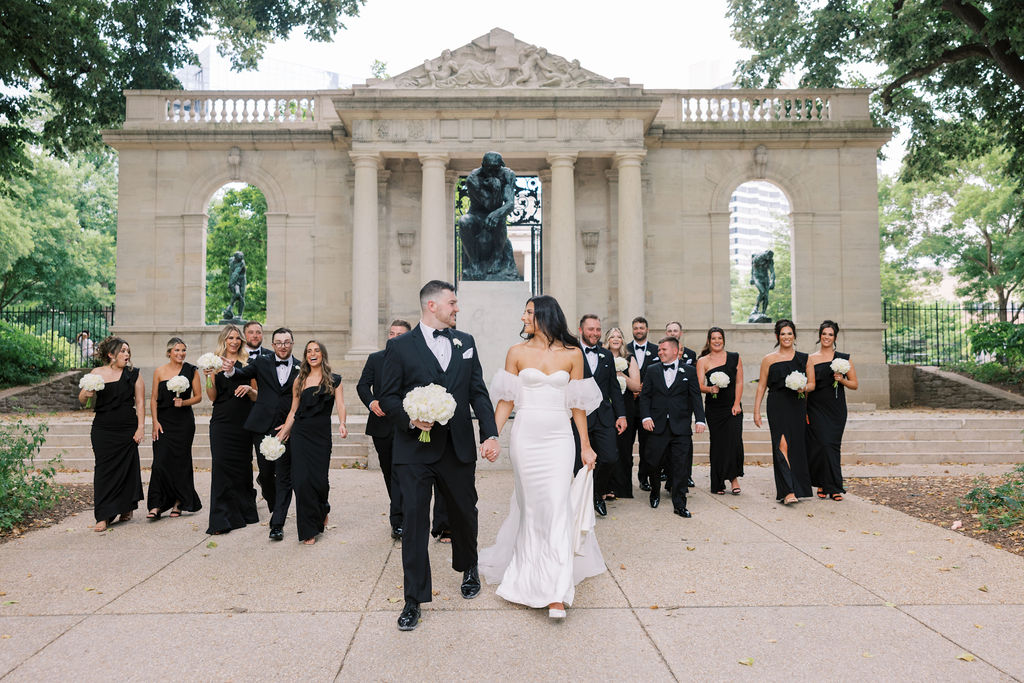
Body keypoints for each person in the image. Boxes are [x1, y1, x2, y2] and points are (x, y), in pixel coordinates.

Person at [378, 280, 500, 632]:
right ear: (432, 305)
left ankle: (469, 566)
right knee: (415, 523)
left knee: (464, 513)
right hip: (414, 450)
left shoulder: (466, 343)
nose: (457, 308)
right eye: (452, 302)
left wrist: (489, 432)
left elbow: (477, 391)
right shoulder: (399, 347)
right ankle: (413, 598)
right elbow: (387, 397)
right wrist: (410, 418)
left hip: (457, 447)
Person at [481, 295, 605, 620]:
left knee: (556, 506)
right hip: (526, 437)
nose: (523, 317)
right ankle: (527, 580)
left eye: (529, 312)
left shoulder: (573, 354)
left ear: (545, 316)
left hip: (559, 438)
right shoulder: (516, 353)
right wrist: (492, 436)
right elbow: (506, 401)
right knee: (533, 509)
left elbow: (578, 405)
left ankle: (555, 592)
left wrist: (586, 446)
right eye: (524, 311)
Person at [357, 320, 450, 541]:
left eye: (399, 334)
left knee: (414, 476)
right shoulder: (375, 359)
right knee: (391, 476)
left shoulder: (417, 358)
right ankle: (398, 518)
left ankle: (416, 520)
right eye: (392, 333)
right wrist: (372, 403)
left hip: (414, 427)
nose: (394, 337)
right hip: (383, 427)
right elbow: (362, 385)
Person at [222, 327, 300, 540]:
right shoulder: (263, 361)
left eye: (286, 342)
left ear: (292, 344)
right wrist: (229, 370)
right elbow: (242, 373)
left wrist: (291, 425)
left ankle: (277, 523)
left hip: (287, 428)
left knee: (284, 476)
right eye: (279, 342)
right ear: (273, 345)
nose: (282, 346)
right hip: (262, 426)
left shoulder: (302, 368)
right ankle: (273, 502)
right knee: (266, 474)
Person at [276, 341, 347, 545]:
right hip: (301, 433)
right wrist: (283, 432)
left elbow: (341, 404)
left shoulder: (335, 380)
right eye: (309, 351)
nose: (312, 354)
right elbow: (293, 411)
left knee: (319, 481)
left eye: (316, 350)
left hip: (321, 435)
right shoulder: (299, 380)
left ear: (322, 355)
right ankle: (308, 529)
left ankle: (322, 507)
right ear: (305, 356)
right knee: (301, 481)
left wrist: (342, 423)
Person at [78, 337, 144, 532]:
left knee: (126, 468)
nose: (127, 354)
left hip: (127, 427)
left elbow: (139, 402)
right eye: (123, 351)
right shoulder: (96, 373)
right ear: (111, 354)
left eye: (128, 351)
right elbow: (82, 399)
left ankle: (125, 508)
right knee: (104, 470)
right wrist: (86, 394)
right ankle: (103, 515)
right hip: (103, 428)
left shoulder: (134, 374)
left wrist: (141, 427)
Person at [638, 337, 707, 517]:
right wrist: (645, 417)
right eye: (659, 350)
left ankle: (679, 504)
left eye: (664, 349)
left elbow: (695, 397)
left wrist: (700, 419)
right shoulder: (652, 370)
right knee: (653, 463)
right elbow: (645, 397)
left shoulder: (689, 371)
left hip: (680, 427)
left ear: (676, 351)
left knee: (680, 466)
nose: (660, 352)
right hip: (657, 425)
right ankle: (654, 492)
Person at [752, 319, 816, 504]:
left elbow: (812, 384)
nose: (786, 337)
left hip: (797, 404)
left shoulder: (805, 358)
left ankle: (797, 488)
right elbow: (761, 386)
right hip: (777, 405)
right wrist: (756, 412)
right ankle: (787, 491)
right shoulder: (768, 359)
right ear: (777, 336)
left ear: (794, 335)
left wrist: (802, 387)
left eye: (789, 333)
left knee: (795, 446)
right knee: (782, 445)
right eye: (782, 334)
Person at [204, 325, 259, 535]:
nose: (234, 341)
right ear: (224, 341)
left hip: (244, 421)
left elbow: (257, 396)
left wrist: (249, 389)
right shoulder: (213, 363)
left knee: (242, 467)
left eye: (237, 338)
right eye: (230, 338)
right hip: (222, 421)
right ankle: (220, 519)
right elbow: (212, 396)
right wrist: (209, 376)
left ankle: (244, 512)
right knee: (220, 465)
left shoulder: (249, 363)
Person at [576, 314, 627, 516]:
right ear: (581, 331)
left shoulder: (606, 355)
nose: (595, 333)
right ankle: (581, 499)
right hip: (580, 416)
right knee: (578, 462)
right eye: (591, 329)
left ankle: (597, 492)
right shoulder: (572, 353)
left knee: (610, 458)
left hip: (605, 417)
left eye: (598, 329)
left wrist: (621, 415)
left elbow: (614, 388)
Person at [147, 337, 203, 519]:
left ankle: (179, 502)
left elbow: (199, 397)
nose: (181, 354)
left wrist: (184, 402)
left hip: (183, 422)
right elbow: (154, 398)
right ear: (169, 352)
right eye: (177, 350)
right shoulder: (159, 371)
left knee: (181, 461)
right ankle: (156, 504)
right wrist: (155, 422)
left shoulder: (191, 370)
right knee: (160, 462)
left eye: (183, 350)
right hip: (163, 421)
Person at [807, 320, 858, 501]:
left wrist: (841, 379)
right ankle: (823, 483)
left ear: (835, 337)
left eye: (830, 334)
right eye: (824, 334)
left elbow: (854, 384)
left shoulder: (843, 358)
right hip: (815, 408)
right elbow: (809, 385)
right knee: (821, 445)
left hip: (836, 409)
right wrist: (804, 412)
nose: (826, 337)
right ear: (819, 335)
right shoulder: (811, 359)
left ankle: (834, 486)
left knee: (832, 446)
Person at [696, 327, 745, 495]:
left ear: (723, 340)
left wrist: (737, 403)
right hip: (714, 409)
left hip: (732, 407)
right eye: (713, 338)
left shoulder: (735, 358)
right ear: (709, 341)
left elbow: (739, 382)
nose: (717, 341)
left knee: (734, 441)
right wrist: (710, 389)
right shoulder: (703, 361)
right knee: (718, 444)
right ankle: (717, 483)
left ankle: (733, 479)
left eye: (720, 338)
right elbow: (698, 386)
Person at [604, 327, 640, 498]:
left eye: (619, 336)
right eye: (612, 336)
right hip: (605, 407)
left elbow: (636, 386)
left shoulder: (629, 358)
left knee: (624, 448)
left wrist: (619, 374)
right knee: (607, 447)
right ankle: (606, 487)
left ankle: (623, 488)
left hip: (626, 407)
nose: (616, 339)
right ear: (607, 340)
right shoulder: (601, 356)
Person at [242, 320, 274, 509]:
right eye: (251, 332)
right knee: (244, 460)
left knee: (267, 462)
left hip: (265, 415)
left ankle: (266, 485)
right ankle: (246, 501)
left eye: (258, 332)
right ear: (245, 335)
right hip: (241, 414)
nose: (255, 335)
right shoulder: (236, 356)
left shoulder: (272, 356)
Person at [664, 321, 698, 489]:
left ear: (681, 333)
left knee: (685, 444)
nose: (672, 333)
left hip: (684, 407)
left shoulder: (691, 354)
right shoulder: (661, 353)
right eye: (669, 330)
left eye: (675, 330)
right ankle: (667, 473)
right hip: (665, 407)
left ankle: (686, 475)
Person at [625, 317, 657, 491]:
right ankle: (625, 479)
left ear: (647, 329)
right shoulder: (625, 349)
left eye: (641, 327)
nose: (638, 330)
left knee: (647, 446)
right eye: (636, 328)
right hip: (630, 404)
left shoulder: (657, 350)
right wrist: (634, 389)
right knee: (626, 444)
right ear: (632, 330)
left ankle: (644, 478)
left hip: (648, 407)